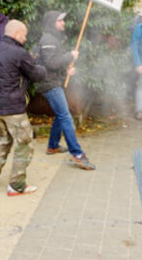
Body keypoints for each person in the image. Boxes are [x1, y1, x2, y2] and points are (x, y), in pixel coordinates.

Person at [0, 20, 46, 195]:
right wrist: (40, 65)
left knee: (3, 140)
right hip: (13, 108)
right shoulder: (19, 52)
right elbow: (36, 74)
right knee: (24, 143)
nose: (25, 38)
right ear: (17, 33)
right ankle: (17, 185)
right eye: (24, 34)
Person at [37, 10, 95, 170]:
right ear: (52, 23)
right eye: (60, 21)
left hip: (52, 81)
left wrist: (66, 71)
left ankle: (53, 146)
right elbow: (50, 62)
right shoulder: (48, 39)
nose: (63, 23)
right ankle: (77, 154)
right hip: (49, 84)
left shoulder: (53, 38)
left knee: (61, 114)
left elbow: (53, 64)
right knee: (66, 117)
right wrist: (70, 56)